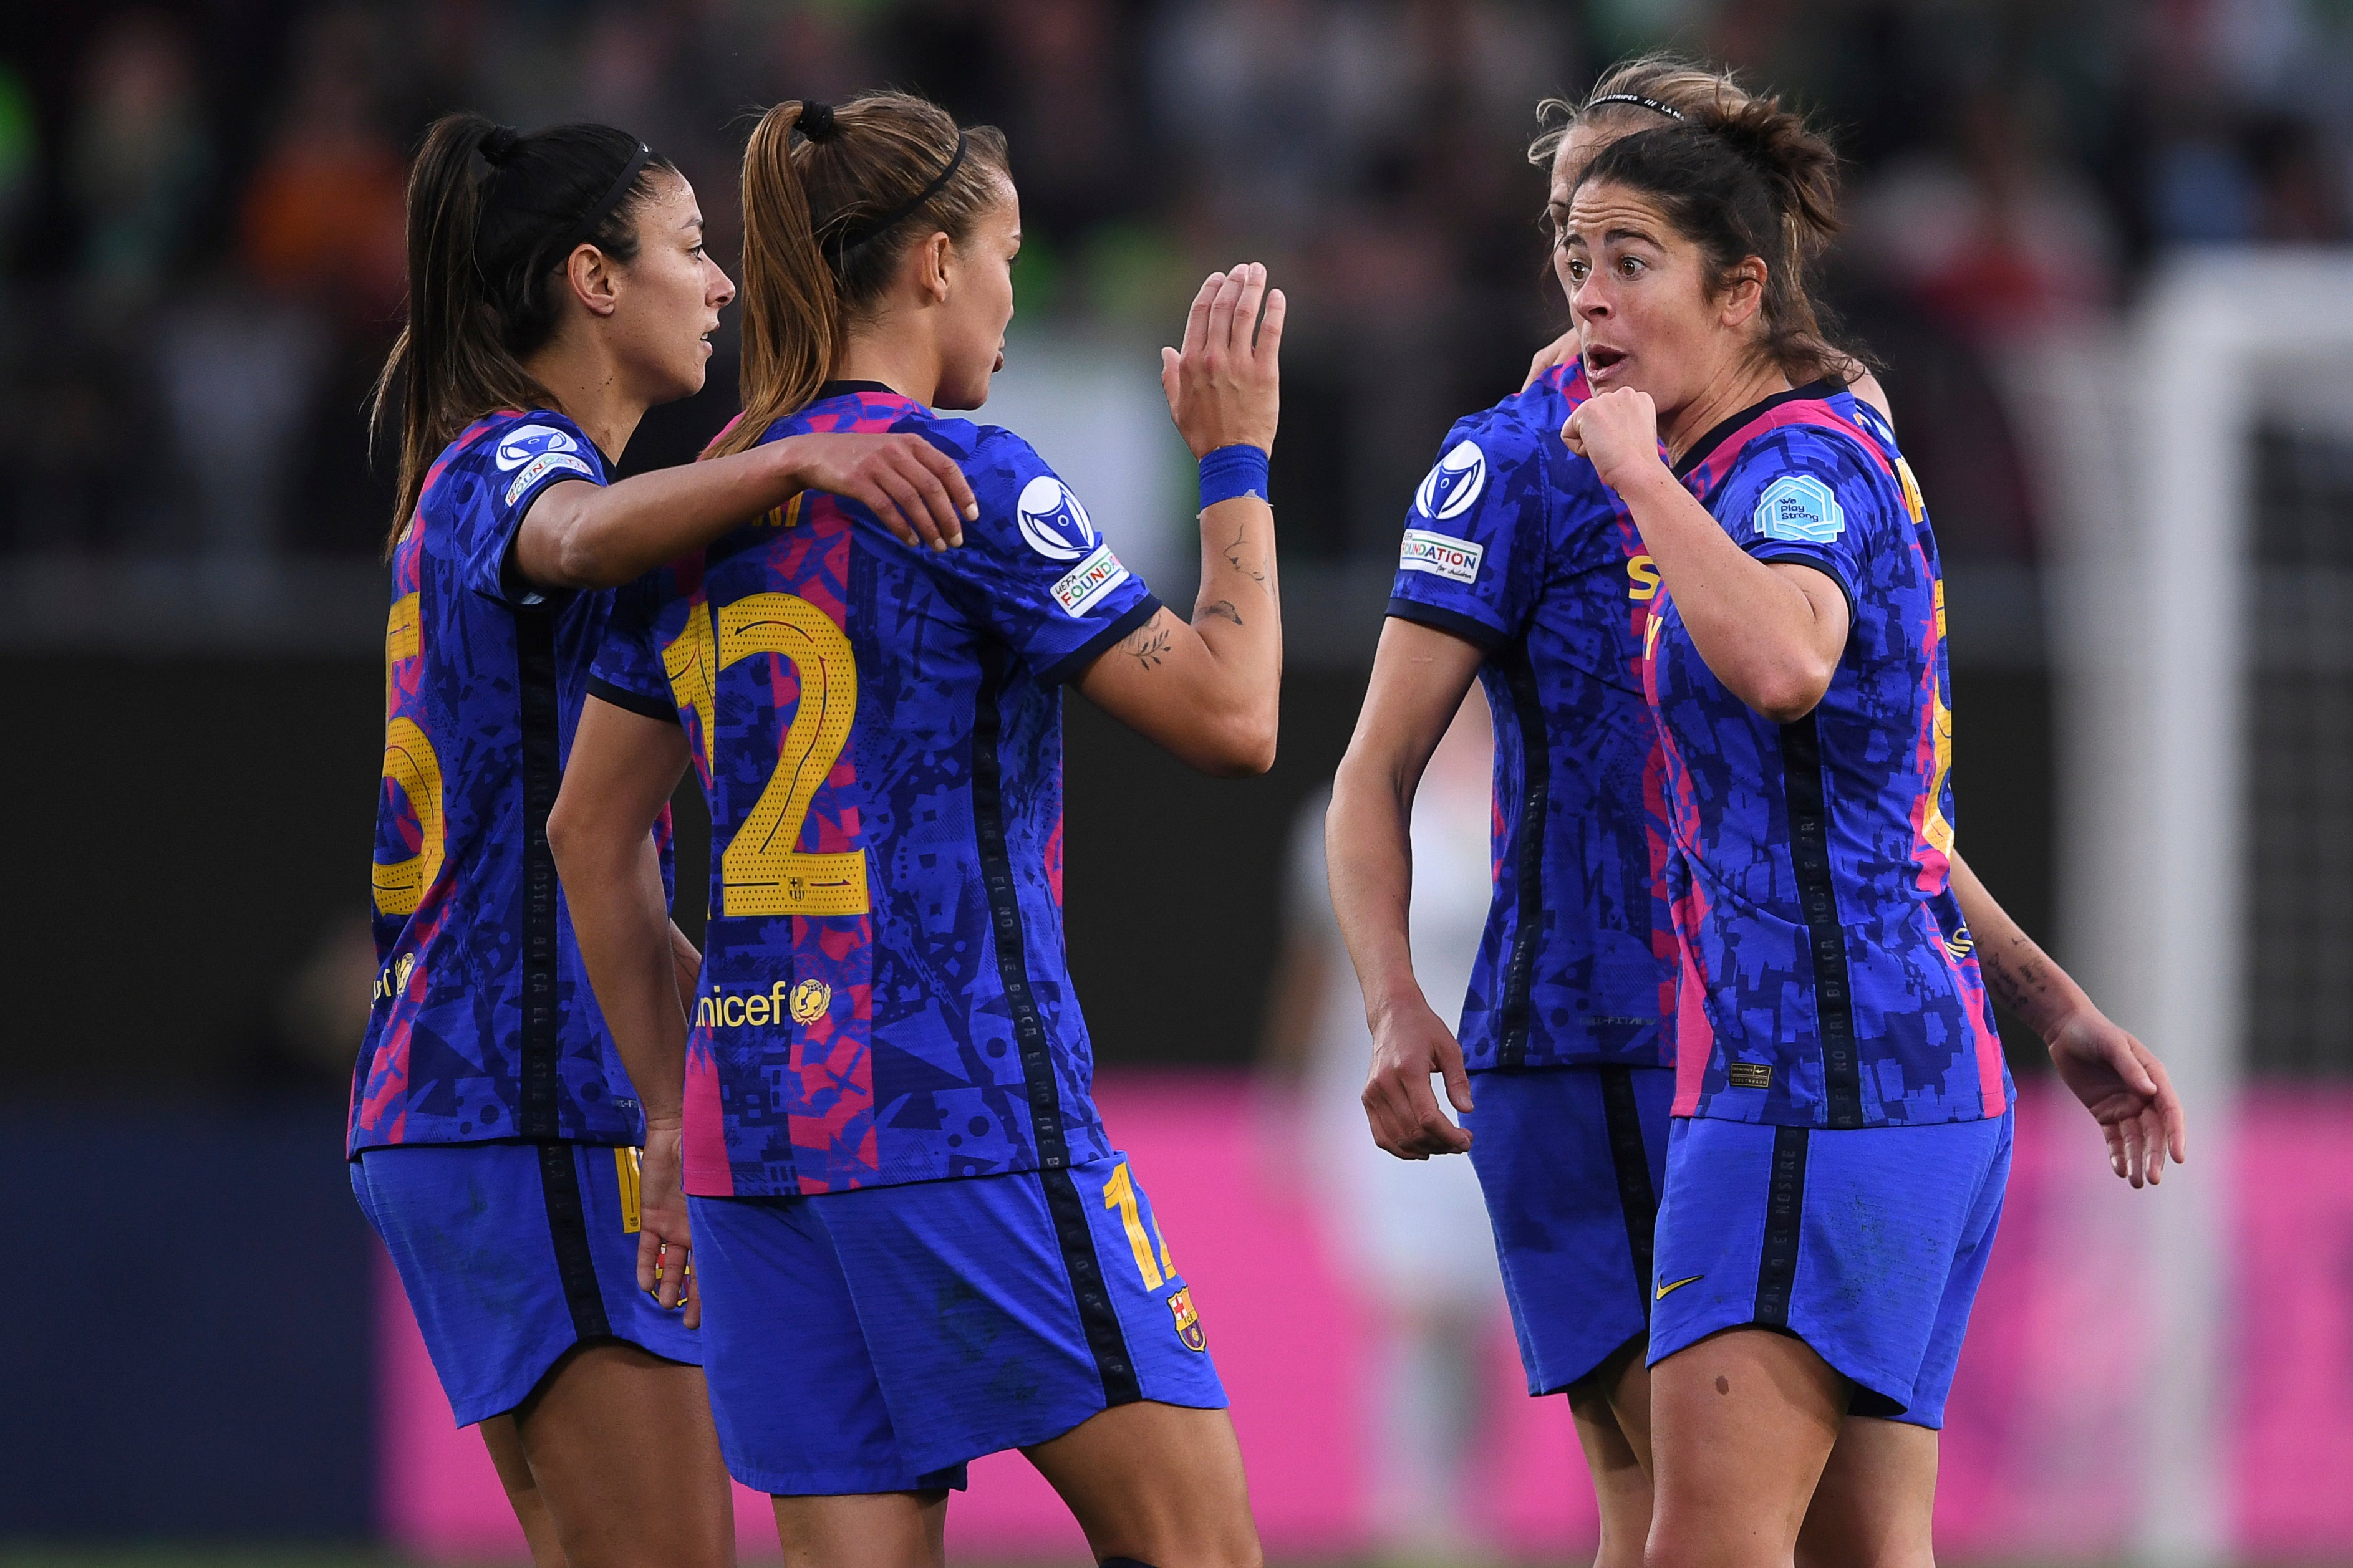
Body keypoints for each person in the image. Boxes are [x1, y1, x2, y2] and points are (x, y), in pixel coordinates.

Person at [1328, 57, 2188, 1568]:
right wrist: (1393, 998)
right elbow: (1866, 792)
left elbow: (1795, 686)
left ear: (1737, 280)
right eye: (1567, 248)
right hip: (1635, 1046)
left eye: (1624, 252)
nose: (1586, 289)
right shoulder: (1550, 457)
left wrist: (1648, 480)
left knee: (1697, 1534)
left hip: (1795, 1061)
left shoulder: (1765, 466)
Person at [548, 92, 1282, 1568]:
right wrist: (1234, 457)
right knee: (1200, 1547)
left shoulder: (704, 506)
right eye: (1008, 253)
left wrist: (670, 1109)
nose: (1015, 296)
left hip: (756, 1130)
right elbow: (1233, 718)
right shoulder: (964, 479)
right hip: (964, 1107)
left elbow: (589, 834)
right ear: (936, 261)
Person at [350, 111, 977, 1568]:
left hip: (472, 1098)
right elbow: (571, 539)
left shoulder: (486, 477)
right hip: (528, 1096)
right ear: (593, 279)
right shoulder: (514, 469)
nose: (722, 286)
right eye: (690, 250)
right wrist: (795, 470)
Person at [1263, 693, 1505, 1556]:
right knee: (1415, 1305)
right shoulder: (1348, 815)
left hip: (1497, 1102)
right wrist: (1281, 1098)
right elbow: (1311, 971)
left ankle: (1466, 1508)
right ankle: (1408, 1512)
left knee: (1474, 1319)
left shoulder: (1526, 802)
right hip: (1375, 1086)